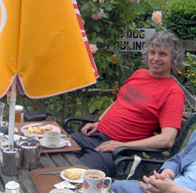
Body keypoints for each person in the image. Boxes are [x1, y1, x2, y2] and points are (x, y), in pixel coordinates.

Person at [71, 30, 185, 176]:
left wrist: (122, 145)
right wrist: (98, 122)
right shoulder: (139, 74)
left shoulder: (173, 92)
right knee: (52, 148)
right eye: (152, 52)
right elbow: (119, 101)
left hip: (117, 152)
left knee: (71, 174)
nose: (155, 58)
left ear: (173, 59)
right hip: (95, 137)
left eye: (162, 54)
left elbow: (167, 139)